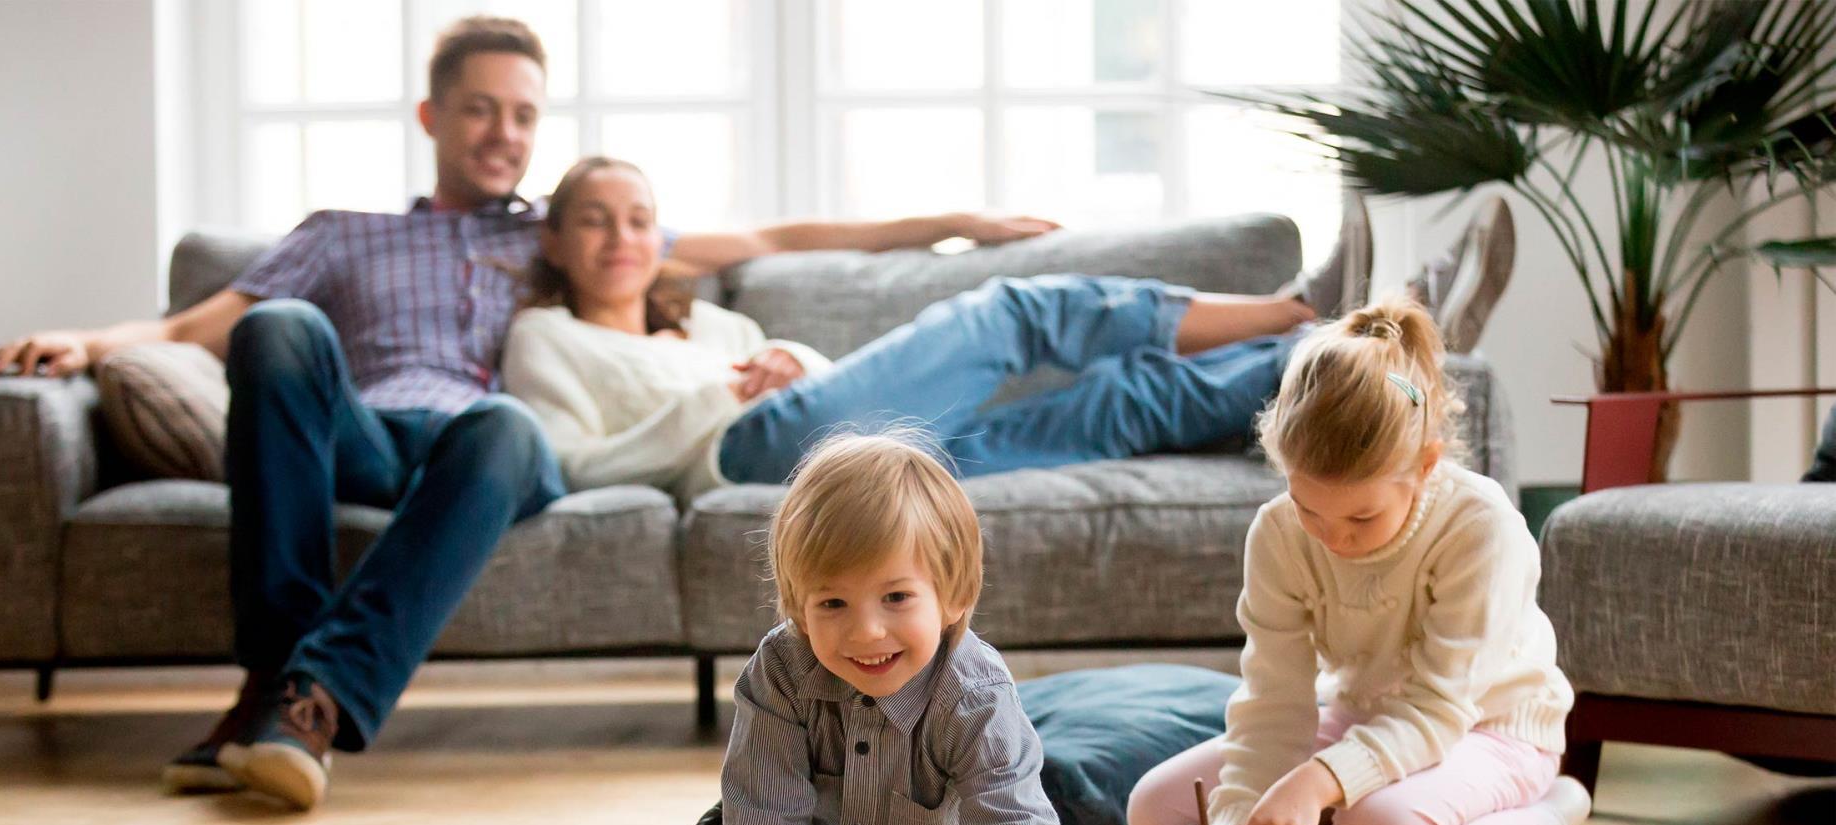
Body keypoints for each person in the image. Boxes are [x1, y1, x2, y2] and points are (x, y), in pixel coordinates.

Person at [0, 16, 1069, 812]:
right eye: (479, 109)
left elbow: (776, 243)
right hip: (368, 436)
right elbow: (203, 321)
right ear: (432, 116)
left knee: (506, 426)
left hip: (491, 453)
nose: (503, 132)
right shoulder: (343, 231)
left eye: (522, 114)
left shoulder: (555, 232)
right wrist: (87, 343)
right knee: (276, 331)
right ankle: (278, 684)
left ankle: (303, 705)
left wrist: (955, 220)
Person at [502, 157, 1381, 501]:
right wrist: (714, 397)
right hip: (751, 453)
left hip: (852, 459)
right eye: (593, 219)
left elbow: (823, 384)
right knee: (1007, 313)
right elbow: (568, 465)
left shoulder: (712, 321)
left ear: (662, 239)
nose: (621, 238)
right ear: (553, 238)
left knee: (1121, 403)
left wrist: (786, 359)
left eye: (638, 219)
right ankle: (1296, 304)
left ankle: (1343, 351)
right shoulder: (547, 338)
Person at [1124, 298, 1591, 825]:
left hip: (1490, 727)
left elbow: (1439, 709)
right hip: (1360, 719)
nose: (1333, 538)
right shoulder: (1277, 531)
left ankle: (1546, 813)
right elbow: (1273, 699)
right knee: (1153, 816)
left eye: (1362, 518)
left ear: (1425, 466)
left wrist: (1314, 783)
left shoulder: (1481, 527)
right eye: (1308, 508)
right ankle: (1320, 821)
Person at [632, 433, 1061, 825]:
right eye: (832, 604)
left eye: (896, 597)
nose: (866, 633)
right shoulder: (781, 671)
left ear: (954, 596)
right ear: (796, 606)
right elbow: (771, 819)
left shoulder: (975, 690)